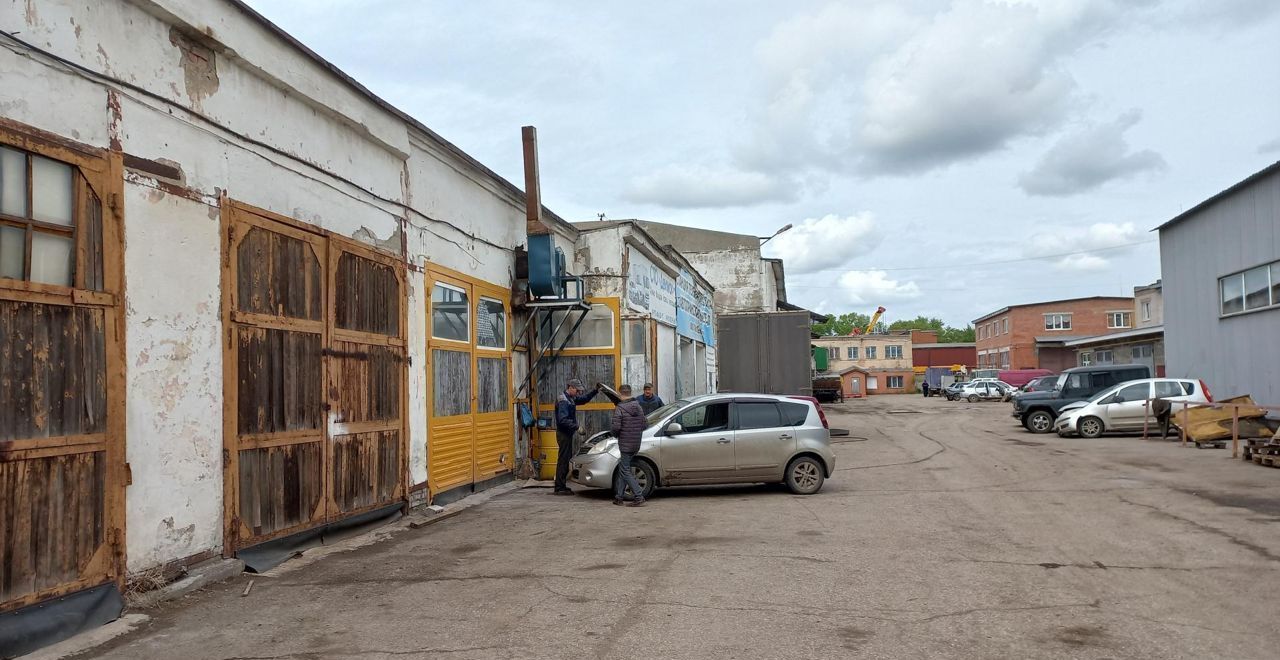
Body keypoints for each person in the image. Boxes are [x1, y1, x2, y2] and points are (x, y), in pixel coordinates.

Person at [554, 378, 599, 495]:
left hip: (566, 433)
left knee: (565, 458)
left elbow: (583, 400)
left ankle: (561, 485)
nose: (579, 393)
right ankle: (559, 488)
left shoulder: (570, 398)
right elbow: (562, 420)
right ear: (570, 387)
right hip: (563, 434)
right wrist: (576, 427)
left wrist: (595, 391)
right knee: (563, 460)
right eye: (577, 390)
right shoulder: (563, 401)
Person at [610, 384, 647, 507]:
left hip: (625, 444)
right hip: (636, 443)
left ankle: (638, 496)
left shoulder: (620, 408)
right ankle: (619, 497)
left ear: (620, 394)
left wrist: (614, 434)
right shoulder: (639, 407)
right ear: (630, 393)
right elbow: (644, 425)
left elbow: (616, 427)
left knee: (625, 470)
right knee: (623, 468)